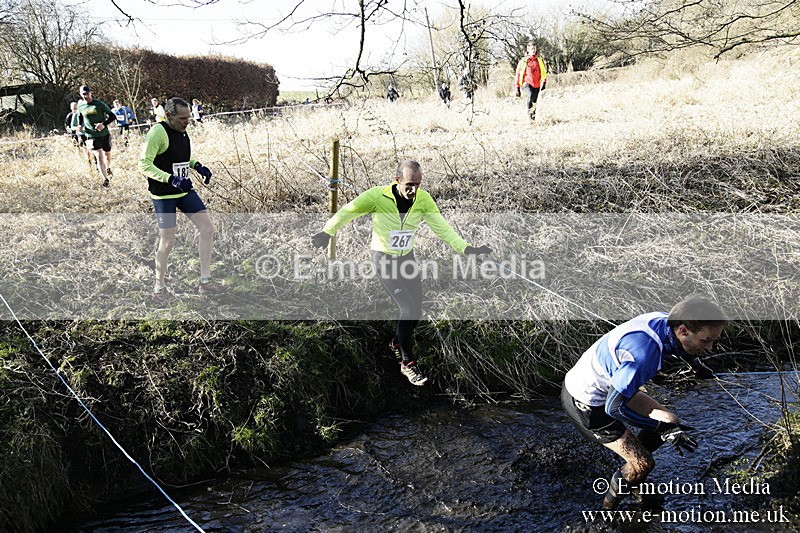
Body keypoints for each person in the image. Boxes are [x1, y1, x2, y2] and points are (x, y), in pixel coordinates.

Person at [311, 160, 492, 386]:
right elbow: (348, 211)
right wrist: (327, 232)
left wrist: (466, 249)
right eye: (409, 185)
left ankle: (397, 343)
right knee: (406, 309)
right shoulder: (377, 196)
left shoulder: (423, 200)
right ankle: (407, 363)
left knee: (416, 311)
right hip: (384, 260)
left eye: (417, 185)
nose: (413, 190)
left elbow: (442, 228)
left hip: (407, 259)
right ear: (397, 180)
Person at [561, 296, 726, 510]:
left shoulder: (668, 321)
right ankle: (606, 511)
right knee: (644, 463)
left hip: (613, 387)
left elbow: (675, 344)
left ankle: (634, 474)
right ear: (683, 330)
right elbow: (613, 407)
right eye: (706, 341)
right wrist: (662, 430)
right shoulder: (644, 356)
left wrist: (696, 365)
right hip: (586, 402)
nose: (711, 348)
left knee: (670, 420)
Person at [138, 97, 226, 301]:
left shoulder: (182, 130)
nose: (187, 122)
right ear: (169, 116)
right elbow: (144, 164)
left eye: (188, 118)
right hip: (164, 195)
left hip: (184, 192)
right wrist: (171, 179)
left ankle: (205, 281)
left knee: (208, 229)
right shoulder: (157, 133)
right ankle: (159, 288)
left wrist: (197, 166)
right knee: (168, 240)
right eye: (182, 118)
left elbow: (181, 157)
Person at [73, 85, 115, 187]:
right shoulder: (81, 106)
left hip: (104, 134)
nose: (85, 96)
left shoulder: (99, 104)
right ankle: (105, 179)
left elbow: (112, 116)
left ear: (91, 93)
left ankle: (108, 167)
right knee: (99, 156)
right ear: (80, 94)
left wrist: (103, 124)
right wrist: (80, 125)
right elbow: (80, 117)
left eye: (87, 93)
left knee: (107, 155)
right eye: (83, 94)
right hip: (91, 135)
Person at [515, 41, 548, 121]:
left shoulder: (540, 60)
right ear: (528, 50)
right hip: (526, 83)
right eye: (531, 49)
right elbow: (518, 74)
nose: (533, 50)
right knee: (530, 95)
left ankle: (533, 119)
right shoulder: (523, 61)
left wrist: (544, 83)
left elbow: (543, 72)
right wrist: (517, 88)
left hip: (537, 84)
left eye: (534, 49)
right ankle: (530, 115)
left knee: (534, 102)